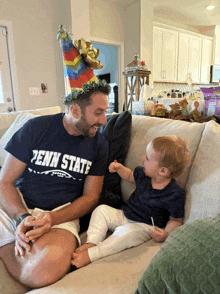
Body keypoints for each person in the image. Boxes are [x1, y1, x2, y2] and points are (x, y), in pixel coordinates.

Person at [0, 80, 111, 288]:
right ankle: (18, 248)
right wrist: (21, 218)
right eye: (98, 113)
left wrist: (52, 218)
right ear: (76, 110)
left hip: (62, 214)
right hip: (19, 206)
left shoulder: (99, 144)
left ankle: (17, 256)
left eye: (106, 112)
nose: (104, 120)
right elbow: (5, 182)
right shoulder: (35, 128)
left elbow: (91, 197)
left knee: (43, 271)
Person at [71, 135, 190, 268]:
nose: (142, 158)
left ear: (162, 171)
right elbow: (129, 175)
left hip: (144, 227)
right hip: (125, 215)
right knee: (102, 210)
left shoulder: (175, 194)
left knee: (126, 233)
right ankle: (93, 241)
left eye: (147, 158)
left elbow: (176, 220)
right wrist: (119, 168)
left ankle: (93, 254)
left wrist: (165, 235)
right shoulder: (143, 175)